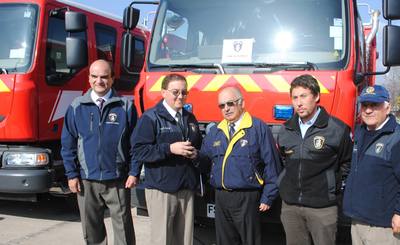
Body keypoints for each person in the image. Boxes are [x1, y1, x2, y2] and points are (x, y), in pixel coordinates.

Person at [61, 59, 138, 245]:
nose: (99, 81)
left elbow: (136, 144)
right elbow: (68, 144)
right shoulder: (76, 107)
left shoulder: (125, 107)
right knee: (91, 230)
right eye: (94, 76)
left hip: (118, 180)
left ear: (112, 79)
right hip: (87, 180)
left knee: (124, 229)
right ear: (89, 79)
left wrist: (134, 172)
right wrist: (71, 174)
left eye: (104, 77)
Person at [276, 74, 352, 245]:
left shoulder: (337, 129)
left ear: (316, 96)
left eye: (304, 96)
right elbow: (283, 162)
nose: (299, 103)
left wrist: (333, 188)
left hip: (323, 208)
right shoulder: (286, 130)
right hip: (291, 207)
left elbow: (347, 163)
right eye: (295, 97)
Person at [199, 87, 281, 245]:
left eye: (230, 103)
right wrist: (192, 155)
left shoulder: (258, 128)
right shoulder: (216, 131)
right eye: (222, 106)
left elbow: (272, 165)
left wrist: (268, 197)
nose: (226, 109)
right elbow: (204, 161)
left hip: (247, 197)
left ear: (242, 103)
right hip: (221, 197)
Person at [343, 85, 400, 245]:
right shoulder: (360, 132)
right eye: (365, 105)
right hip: (358, 219)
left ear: (387, 108)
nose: (368, 110)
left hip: (382, 226)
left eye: (374, 105)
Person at [130, 74, 202, 245]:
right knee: (162, 239)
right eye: (175, 92)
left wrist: (195, 154)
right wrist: (169, 149)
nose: (180, 96)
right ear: (163, 92)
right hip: (161, 191)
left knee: (184, 240)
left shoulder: (190, 118)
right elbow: (139, 151)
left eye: (184, 92)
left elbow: (199, 146)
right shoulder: (150, 118)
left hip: (186, 189)